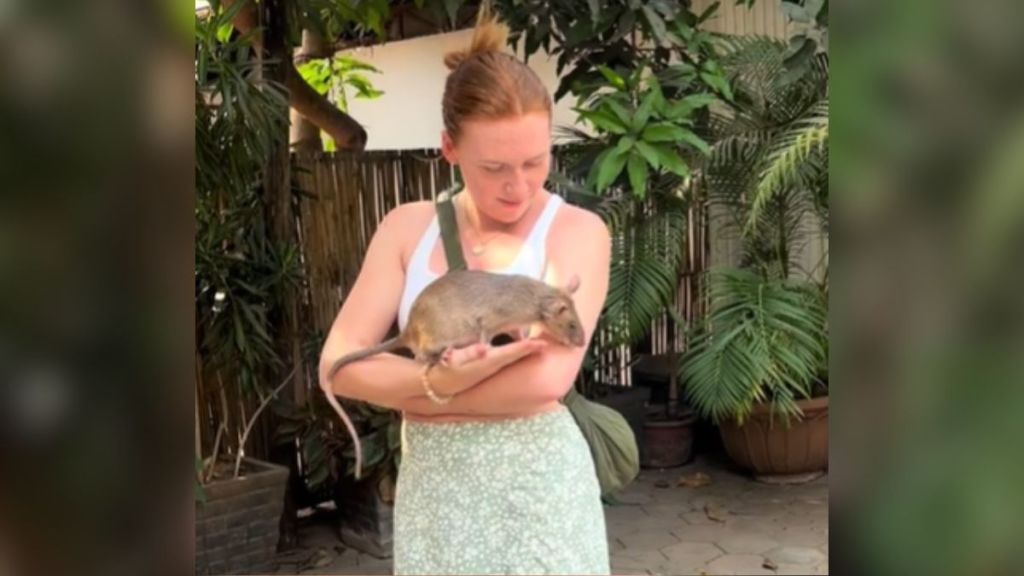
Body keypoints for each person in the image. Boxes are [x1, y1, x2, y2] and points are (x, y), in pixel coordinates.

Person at [318, 6, 611, 575]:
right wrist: (444, 385)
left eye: (535, 161)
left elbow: (546, 381)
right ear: (449, 149)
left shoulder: (577, 232)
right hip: (436, 501)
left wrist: (421, 390)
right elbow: (339, 366)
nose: (518, 186)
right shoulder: (406, 228)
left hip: (538, 502)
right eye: (494, 166)